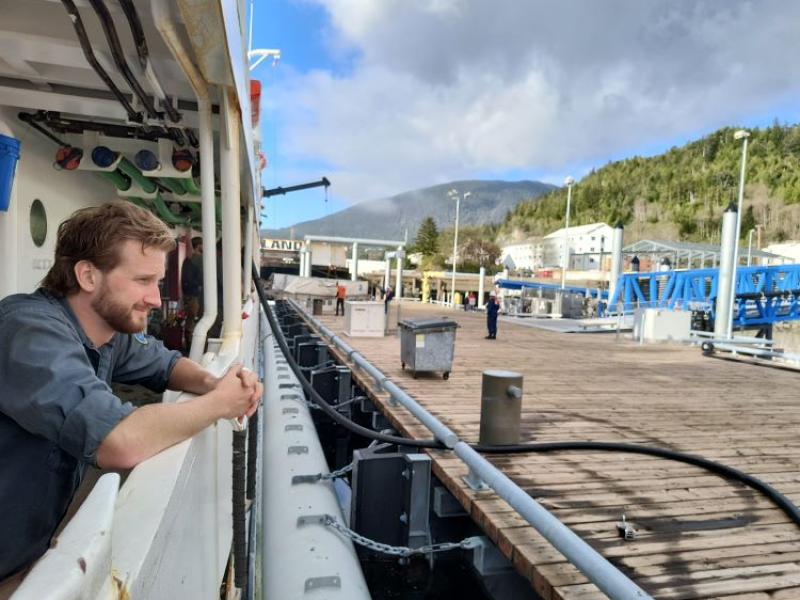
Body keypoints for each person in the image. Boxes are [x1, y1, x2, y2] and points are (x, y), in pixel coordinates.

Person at [0, 202, 262, 581]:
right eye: (143, 281)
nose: (155, 299)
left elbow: (164, 363)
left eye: (156, 282)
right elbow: (119, 442)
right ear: (88, 276)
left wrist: (213, 382)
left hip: (23, 554)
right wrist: (220, 405)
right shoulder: (29, 332)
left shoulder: (103, 329)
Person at [181, 236, 204, 349]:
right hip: (194, 295)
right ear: (199, 245)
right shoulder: (199, 260)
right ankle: (191, 346)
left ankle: (189, 343)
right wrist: (199, 285)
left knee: (190, 319)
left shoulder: (188, 260)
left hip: (189, 294)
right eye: (202, 244)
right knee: (193, 318)